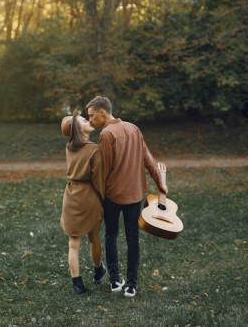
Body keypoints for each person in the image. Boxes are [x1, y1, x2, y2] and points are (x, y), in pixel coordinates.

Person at [85, 96, 167, 298]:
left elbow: (104, 171)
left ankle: (114, 280)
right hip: (134, 194)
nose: (90, 121)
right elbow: (149, 159)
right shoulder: (133, 128)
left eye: (92, 115)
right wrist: (161, 183)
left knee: (111, 234)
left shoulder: (106, 134)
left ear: (102, 112)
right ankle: (131, 285)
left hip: (112, 195)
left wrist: (97, 197)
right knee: (133, 238)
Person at [59, 110, 108, 295]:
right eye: (83, 120)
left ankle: (77, 283)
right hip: (89, 197)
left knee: (73, 244)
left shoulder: (69, 148)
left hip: (71, 196)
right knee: (94, 238)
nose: (88, 120)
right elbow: (99, 180)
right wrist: (104, 200)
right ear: (78, 130)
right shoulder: (94, 149)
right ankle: (98, 270)